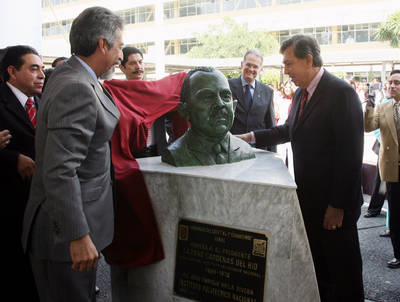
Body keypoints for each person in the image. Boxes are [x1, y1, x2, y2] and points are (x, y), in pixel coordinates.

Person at [237, 35, 364, 301]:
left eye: (288, 63)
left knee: (343, 273)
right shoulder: (300, 93)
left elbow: (350, 155)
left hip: (334, 206)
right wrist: (250, 137)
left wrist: (337, 205)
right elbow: (288, 130)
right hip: (309, 199)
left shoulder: (341, 93)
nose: (285, 70)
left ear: (309, 60)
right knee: (319, 271)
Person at [21, 6, 123, 302]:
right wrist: (77, 236)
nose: (120, 55)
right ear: (103, 44)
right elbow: (60, 170)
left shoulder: (71, 75)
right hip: (64, 238)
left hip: (69, 233)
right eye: (118, 47)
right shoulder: (77, 87)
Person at [0, 45, 44, 302]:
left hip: (38, 200)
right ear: (12, 72)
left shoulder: (42, 100)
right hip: (8, 203)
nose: (41, 75)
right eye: (33, 68)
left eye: (41, 68)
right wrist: (11, 158)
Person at [162, 66, 254, 167]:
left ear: (234, 107)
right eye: (207, 98)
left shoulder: (245, 151)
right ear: (184, 110)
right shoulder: (176, 154)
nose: (220, 104)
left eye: (225, 96)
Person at [364, 69, 400, 269]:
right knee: (395, 215)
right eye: (390, 82)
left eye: (397, 82)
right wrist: (369, 107)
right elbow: (369, 127)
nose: (392, 86)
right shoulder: (383, 107)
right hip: (391, 169)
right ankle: (398, 254)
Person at [228, 49, 276, 152]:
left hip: (259, 151)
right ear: (242, 64)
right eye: (248, 65)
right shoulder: (227, 87)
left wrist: (273, 154)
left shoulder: (268, 92)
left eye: (255, 67)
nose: (251, 69)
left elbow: (270, 126)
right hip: (232, 149)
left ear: (260, 69)